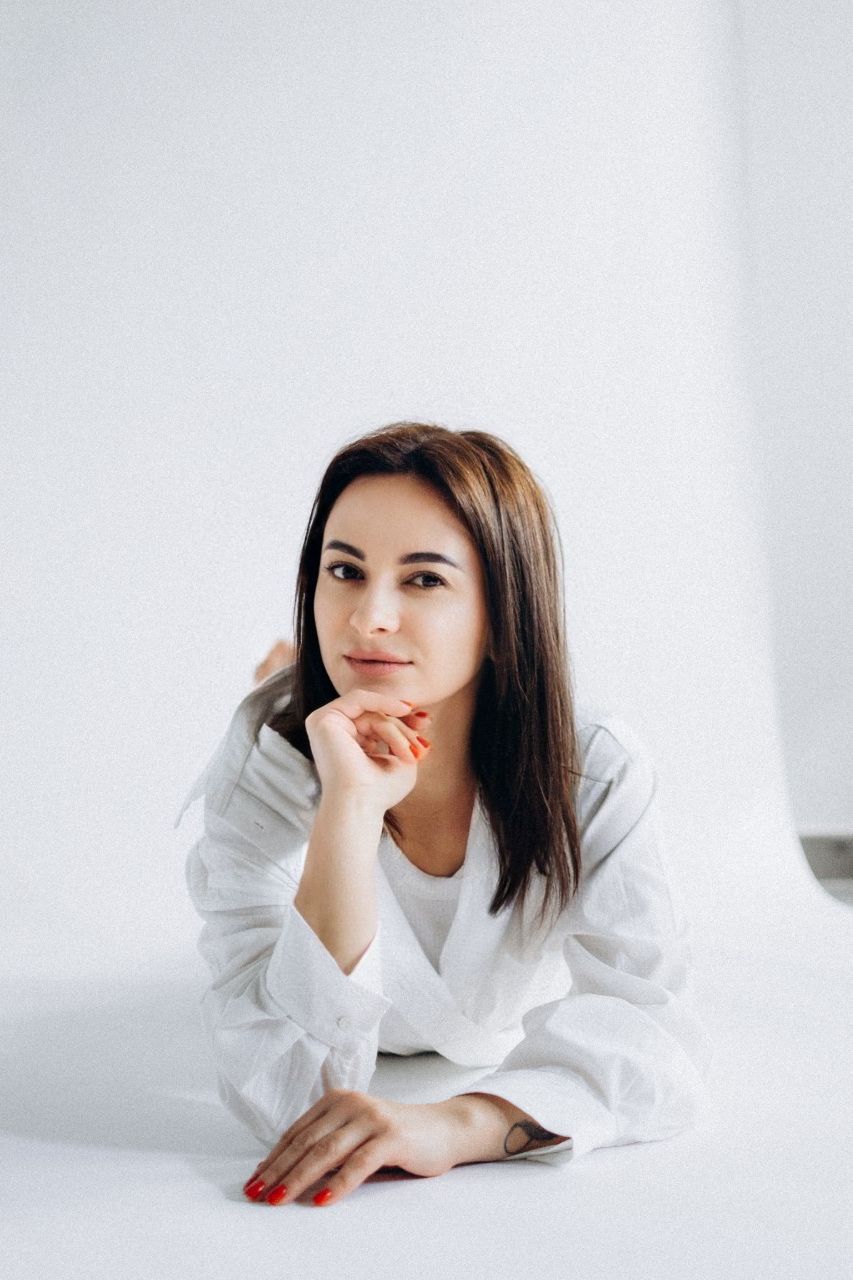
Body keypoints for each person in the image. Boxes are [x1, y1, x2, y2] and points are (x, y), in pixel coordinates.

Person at [176, 419, 714, 1209]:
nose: (367, 618)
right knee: (286, 702)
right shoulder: (274, 753)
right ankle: (282, 670)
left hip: (485, 1032)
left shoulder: (590, 762)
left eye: (423, 580)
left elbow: (656, 1039)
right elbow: (286, 1092)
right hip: (317, 834)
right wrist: (349, 809)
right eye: (344, 571)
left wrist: (458, 1126)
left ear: (503, 610)